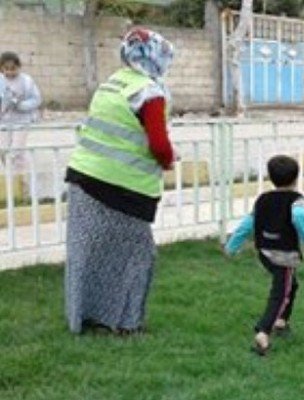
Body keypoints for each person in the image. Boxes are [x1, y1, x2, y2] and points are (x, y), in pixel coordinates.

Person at [64, 28, 177, 335]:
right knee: (137, 256)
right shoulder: (149, 93)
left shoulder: (110, 84)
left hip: (83, 176)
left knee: (87, 253)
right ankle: (125, 323)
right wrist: (169, 160)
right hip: (122, 187)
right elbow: (159, 144)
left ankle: (83, 318)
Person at [224, 155, 304, 356]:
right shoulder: (297, 200)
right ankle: (263, 332)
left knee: (292, 285)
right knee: (280, 293)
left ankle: (281, 322)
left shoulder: (263, 199)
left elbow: (248, 224)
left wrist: (232, 246)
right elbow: (299, 216)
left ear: (271, 178)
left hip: (264, 252)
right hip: (285, 254)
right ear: (295, 179)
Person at [0, 51, 43, 200]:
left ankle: (23, 186)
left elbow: (36, 99)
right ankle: (10, 183)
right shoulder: (0, 81)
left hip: (21, 122)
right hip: (4, 123)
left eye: (13, 68)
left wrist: (20, 105)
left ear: (19, 67)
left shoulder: (26, 81)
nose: (10, 72)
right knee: (4, 152)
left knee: (16, 153)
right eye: (6, 69)